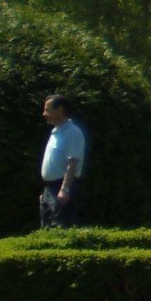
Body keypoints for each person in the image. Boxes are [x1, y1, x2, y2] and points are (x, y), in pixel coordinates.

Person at [39, 94, 86, 229]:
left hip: (61, 186)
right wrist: (47, 191)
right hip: (50, 188)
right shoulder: (56, 132)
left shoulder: (72, 132)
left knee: (61, 226)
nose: (44, 114)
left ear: (59, 110)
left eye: (47, 110)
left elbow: (72, 163)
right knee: (47, 227)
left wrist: (64, 189)